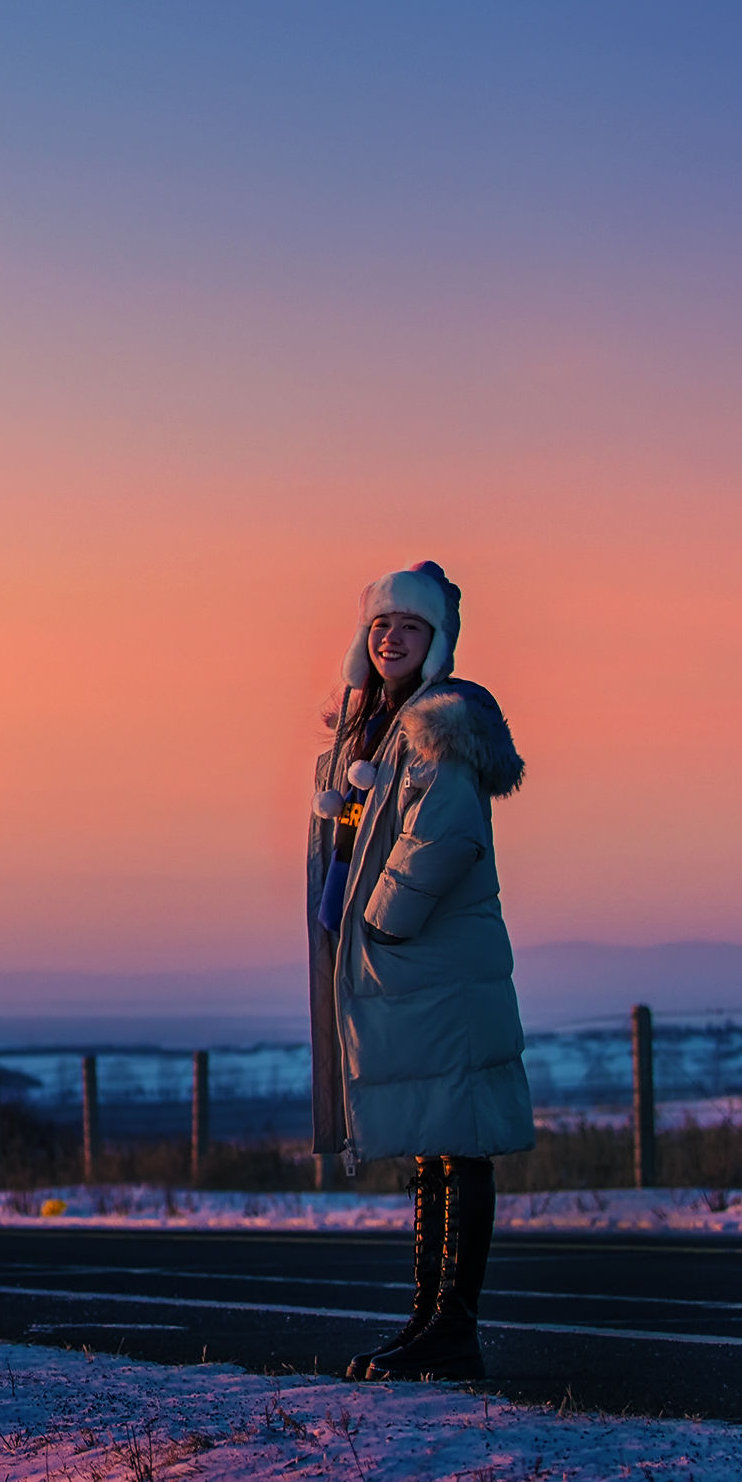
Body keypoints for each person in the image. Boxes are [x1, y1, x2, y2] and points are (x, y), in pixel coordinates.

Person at [306, 562, 533, 1382]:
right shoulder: (370, 731)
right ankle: (427, 1321)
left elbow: (447, 833)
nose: (389, 638)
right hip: (412, 977)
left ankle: (455, 1327)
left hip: (438, 971)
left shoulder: (439, 724)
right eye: (379, 626)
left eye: (408, 626)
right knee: (433, 1150)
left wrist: (379, 919)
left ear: (436, 643)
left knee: (459, 1145)